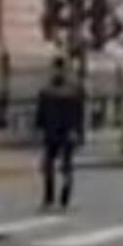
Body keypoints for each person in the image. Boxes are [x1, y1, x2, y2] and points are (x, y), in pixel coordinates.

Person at [35, 58, 84, 211]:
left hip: (65, 133)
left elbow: (78, 115)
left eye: (60, 69)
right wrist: (40, 130)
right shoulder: (47, 91)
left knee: (65, 166)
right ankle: (50, 198)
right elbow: (41, 113)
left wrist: (77, 132)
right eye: (56, 69)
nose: (57, 72)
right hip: (53, 134)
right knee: (49, 167)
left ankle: (63, 197)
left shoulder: (72, 91)